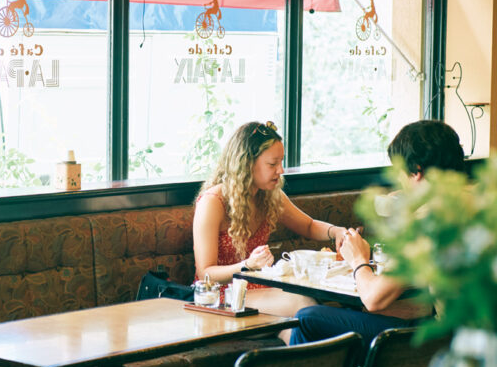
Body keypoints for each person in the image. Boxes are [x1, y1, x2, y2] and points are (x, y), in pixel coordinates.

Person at [289, 120, 466, 346]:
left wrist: (358, 260)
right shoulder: (480, 201)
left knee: (307, 318)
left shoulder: (427, 221)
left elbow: (374, 298)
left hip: (446, 340)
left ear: (417, 171)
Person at [193, 121, 352, 339]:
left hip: (261, 292)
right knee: (303, 305)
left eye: (281, 162)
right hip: (222, 297)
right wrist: (246, 265)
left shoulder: (269, 195)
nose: (281, 170)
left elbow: (308, 225)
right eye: (272, 164)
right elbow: (206, 273)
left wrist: (337, 232)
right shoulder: (213, 202)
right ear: (247, 164)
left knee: (299, 328)